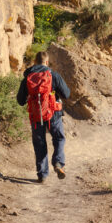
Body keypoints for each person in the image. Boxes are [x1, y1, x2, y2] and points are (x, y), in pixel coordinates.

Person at [17, 52, 71, 182]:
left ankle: (42, 175)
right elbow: (66, 94)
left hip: (36, 115)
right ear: (47, 62)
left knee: (39, 143)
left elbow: (20, 100)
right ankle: (58, 163)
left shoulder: (28, 77)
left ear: (34, 62)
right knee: (58, 138)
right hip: (53, 114)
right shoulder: (53, 75)